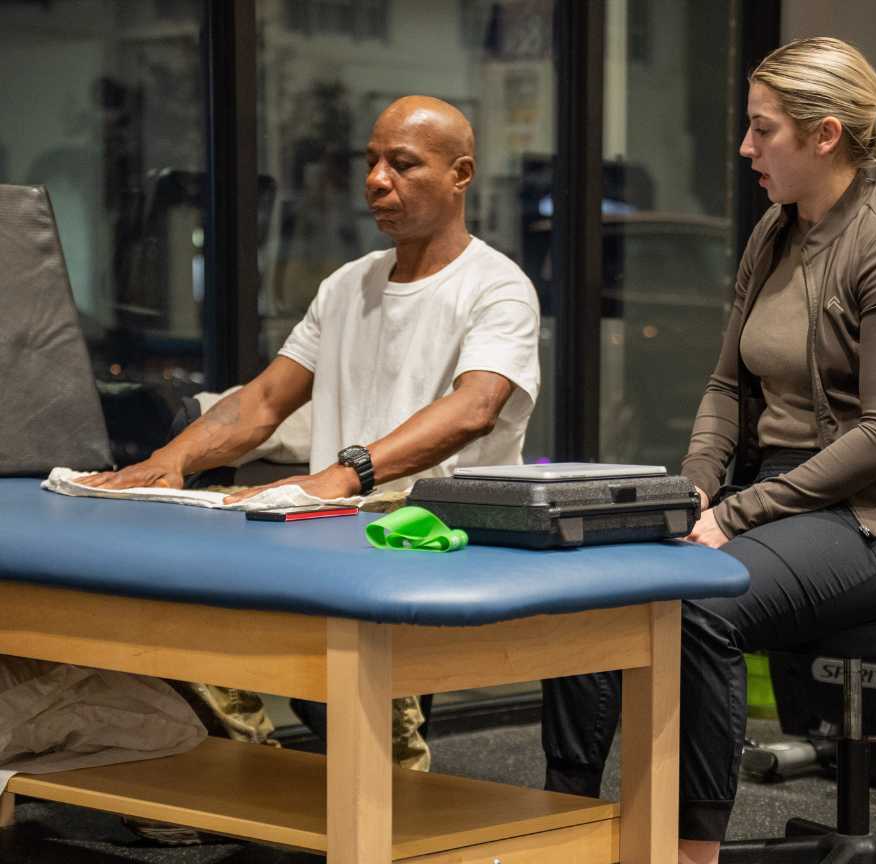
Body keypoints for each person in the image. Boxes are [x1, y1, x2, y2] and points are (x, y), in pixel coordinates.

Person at [541, 37, 876, 864]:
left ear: (826, 135)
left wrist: (738, 513)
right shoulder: (775, 231)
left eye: (762, 130)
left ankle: (692, 850)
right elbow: (728, 387)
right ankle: (565, 822)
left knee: (700, 606)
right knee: (588, 576)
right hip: (773, 498)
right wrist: (695, 488)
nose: (745, 148)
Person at [84, 94, 541, 773]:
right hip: (340, 520)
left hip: (434, 529)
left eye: (403, 164)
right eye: (372, 161)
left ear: (461, 175)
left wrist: (343, 473)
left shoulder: (497, 288)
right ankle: (243, 776)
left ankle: (390, 803)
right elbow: (264, 400)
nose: (376, 180)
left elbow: (473, 408)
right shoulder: (346, 286)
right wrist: (164, 463)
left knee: (364, 748)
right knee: (176, 574)